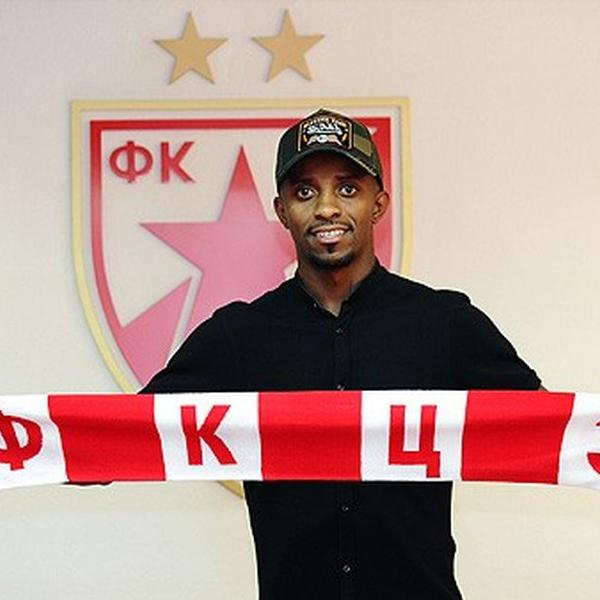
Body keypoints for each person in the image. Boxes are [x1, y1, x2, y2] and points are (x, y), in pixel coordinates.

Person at [143, 109, 542, 599]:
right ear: (282, 210)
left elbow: (552, 427)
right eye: (305, 192)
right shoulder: (239, 336)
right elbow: (127, 432)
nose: (327, 208)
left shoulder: (444, 323)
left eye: (348, 188)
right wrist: (55, 449)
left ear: (379, 204)